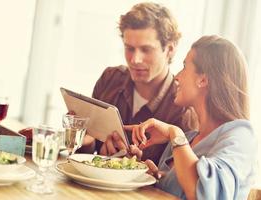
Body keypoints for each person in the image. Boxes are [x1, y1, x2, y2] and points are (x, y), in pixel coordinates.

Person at [126, 35, 258, 199]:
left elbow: (206, 194)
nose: (177, 77)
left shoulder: (240, 135)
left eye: (184, 67)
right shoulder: (188, 140)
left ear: (203, 79)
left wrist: (175, 134)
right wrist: (148, 176)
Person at [79, 2, 198, 164]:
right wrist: (84, 140)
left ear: (170, 49)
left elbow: (176, 180)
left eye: (146, 50)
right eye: (129, 48)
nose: (135, 60)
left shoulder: (185, 110)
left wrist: (134, 166)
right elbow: (87, 151)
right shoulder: (110, 79)